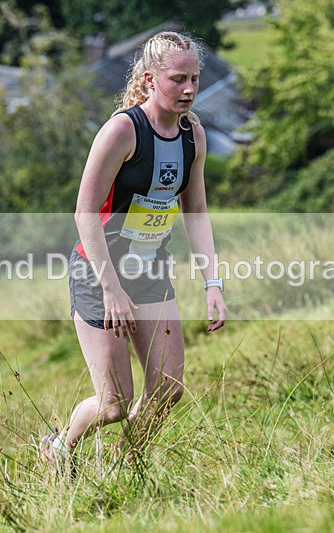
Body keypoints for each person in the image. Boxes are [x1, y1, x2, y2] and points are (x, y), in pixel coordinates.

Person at [39, 31, 227, 473]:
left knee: (168, 388)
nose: (189, 89)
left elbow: (195, 212)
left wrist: (212, 283)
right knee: (113, 403)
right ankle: (59, 446)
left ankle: (121, 468)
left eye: (195, 79)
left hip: (149, 272)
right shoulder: (122, 131)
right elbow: (84, 214)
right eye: (178, 78)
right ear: (149, 79)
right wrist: (111, 289)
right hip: (98, 272)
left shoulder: (192, 136)